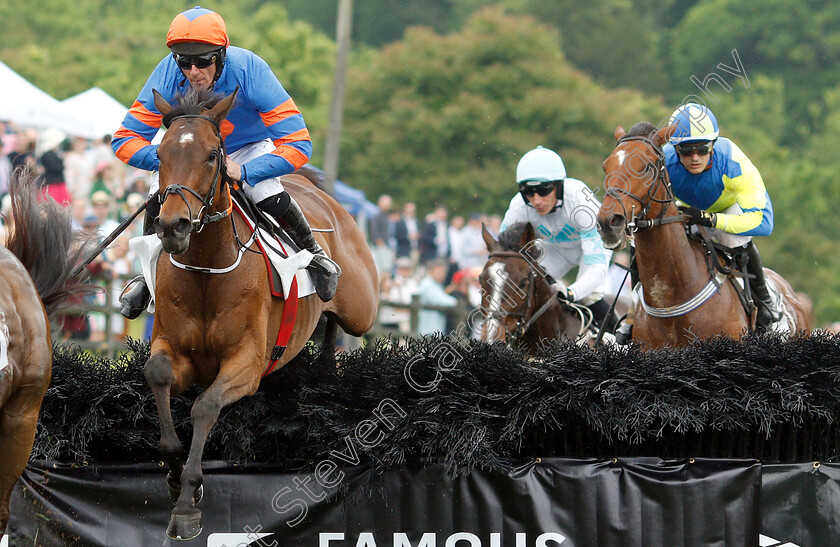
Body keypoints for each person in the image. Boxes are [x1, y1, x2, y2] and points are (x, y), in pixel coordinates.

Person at [111, 6, 338, 319]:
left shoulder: (250, 71)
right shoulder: (167, 72)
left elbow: (299, 143)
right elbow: (124, 139)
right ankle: (146, 278)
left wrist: (246, 171)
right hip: (190, 156)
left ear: (221, 54)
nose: (193, 71)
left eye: (203, 60)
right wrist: (178, 161)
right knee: (160, 198)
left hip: (248, 149)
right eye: (185, 61)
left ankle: (313, 253)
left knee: (263, 192)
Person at [616, 103, 779, 342]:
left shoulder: (734, 163)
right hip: (687, 209)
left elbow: (764, 223)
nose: (694, 158)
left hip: (729, 209)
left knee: (730, 237)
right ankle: (633, 314)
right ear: (674, 149)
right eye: (686, 150)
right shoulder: (664, 163)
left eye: (702, 150)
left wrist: (712, 219)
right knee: (642, 242)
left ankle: (763, 304)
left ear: (713, 144)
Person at [500, 146, 616, 337]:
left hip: (594, 247)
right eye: (529, 192)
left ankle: (621, 340)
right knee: (526, 288)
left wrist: (570, 293)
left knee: (589, 295)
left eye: (543, 191)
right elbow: (503, 252)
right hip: (555, 250)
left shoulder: (579, 199)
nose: (536, 200)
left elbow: (595, 267)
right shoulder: (519, 206)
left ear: (558, 186)